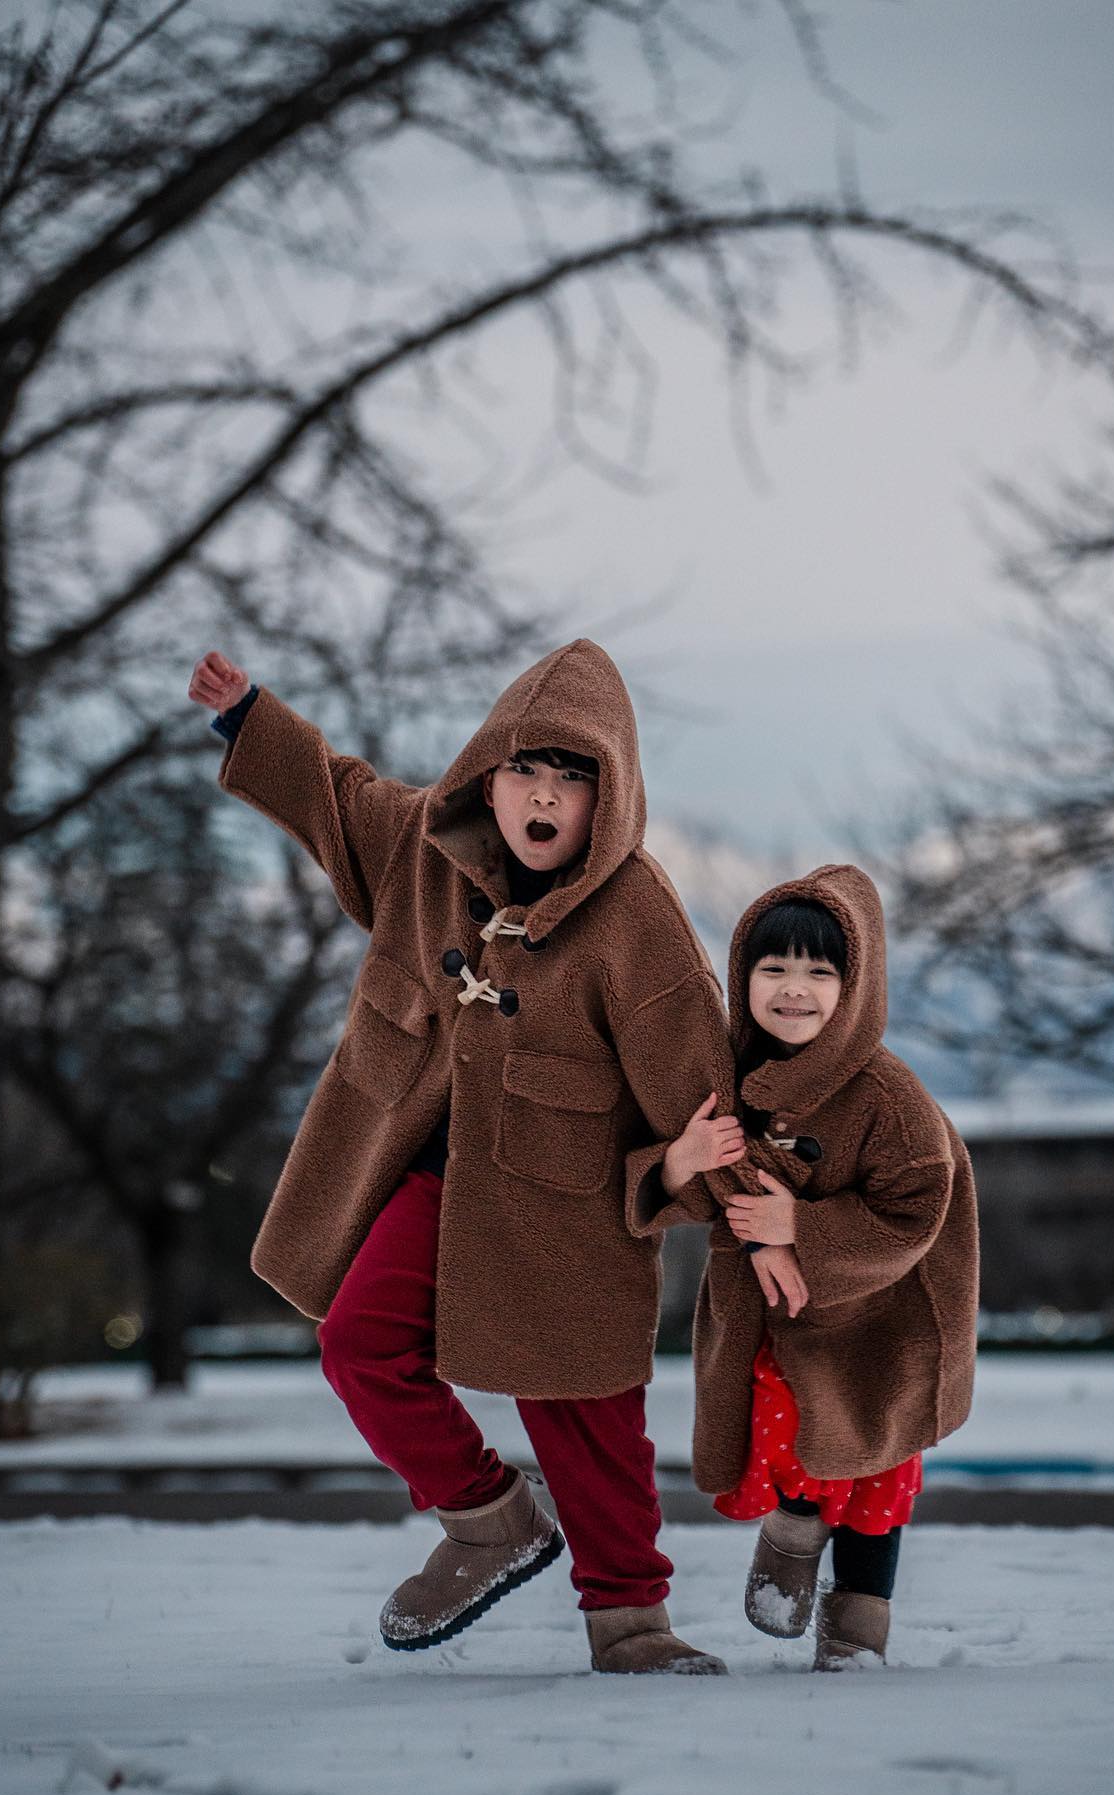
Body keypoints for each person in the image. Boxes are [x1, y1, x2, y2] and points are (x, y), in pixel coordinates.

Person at [188, 639, 752, 1675]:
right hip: (437, 1180)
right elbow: (339, 797)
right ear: (487, 782)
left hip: (569, 1203)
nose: (542, 800)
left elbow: (697, 1082)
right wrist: (249, 719)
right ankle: (490, 1518)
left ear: (606, 799)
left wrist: (737, 1204)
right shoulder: (422, 851)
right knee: (361, 1343)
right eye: (523, 775)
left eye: (569, 783)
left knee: (584, 1412)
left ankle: (631, 1621)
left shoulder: (636, 916)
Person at [640, 865, 979, 1669]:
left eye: (820, 972)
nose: (795, 990)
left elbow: (917, 1212)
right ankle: (793, 1529)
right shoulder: (725, 1084)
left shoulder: (886, 1096)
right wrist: (682, 1163)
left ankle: (860, 1627)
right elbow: (689, 1195)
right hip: (778, 1316)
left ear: (853, 988)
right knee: (788, 1426)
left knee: (878, 1478)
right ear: (742, 977)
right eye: (775, 969)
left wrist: (804, 1227)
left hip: (885, 1318)